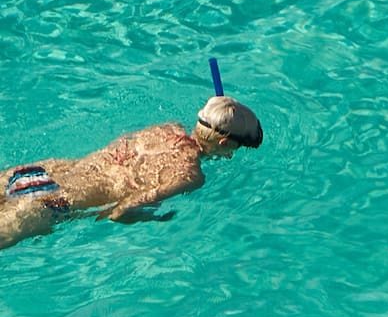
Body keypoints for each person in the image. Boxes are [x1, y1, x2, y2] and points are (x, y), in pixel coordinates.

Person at [1, 92, 264, 252]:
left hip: (42, 171)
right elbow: (120, 212)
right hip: (55, 203)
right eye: (238, 147)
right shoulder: (190, 175)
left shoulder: (165, 128)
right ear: (224, 143)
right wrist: (153, 217)